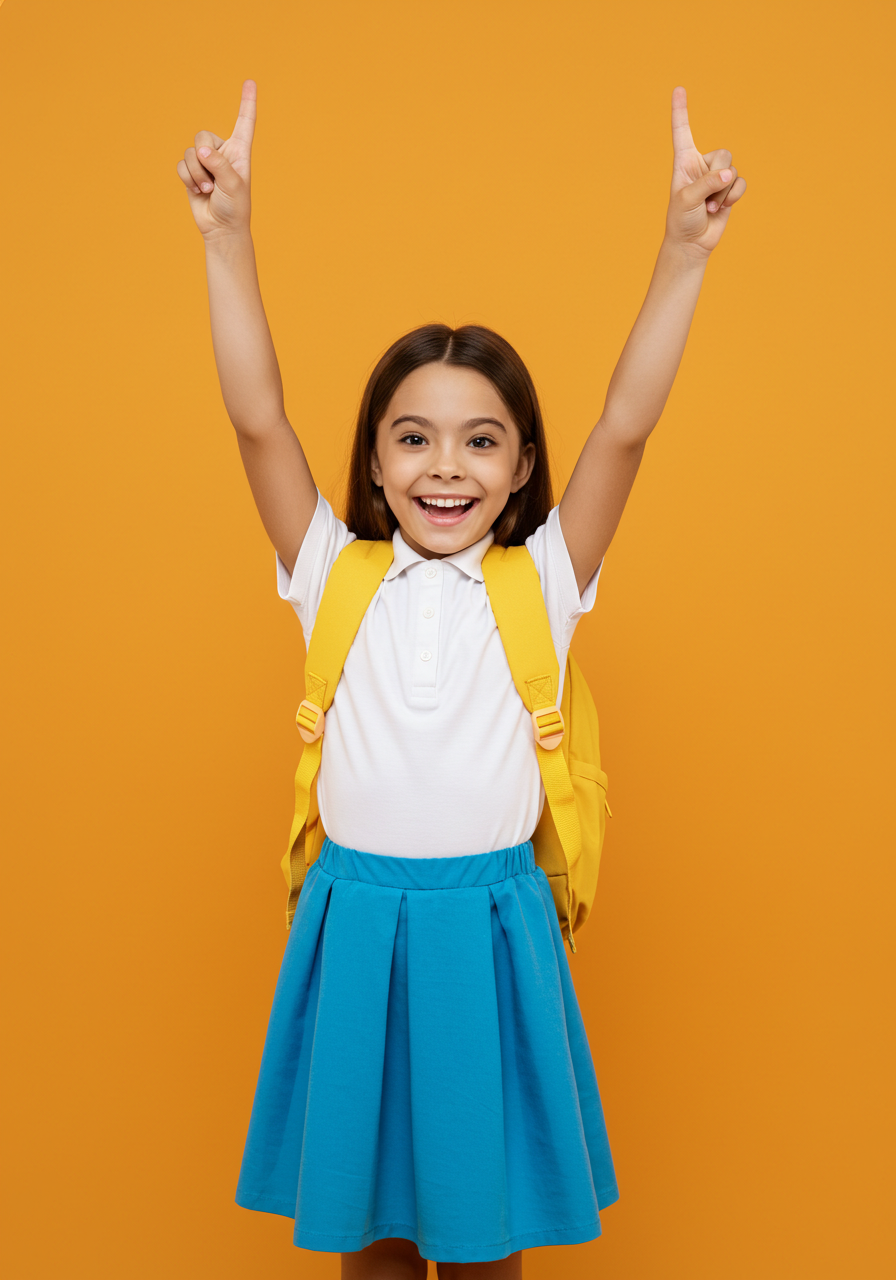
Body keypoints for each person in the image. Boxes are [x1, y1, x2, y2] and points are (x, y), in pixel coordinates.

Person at [176, 78, 745, 1279]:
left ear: (521, 461)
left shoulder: (539, 579)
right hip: (355, 920)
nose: (447, 466)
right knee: (368, 1234)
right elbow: (257, 420)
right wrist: (227, 239)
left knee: (483, 1240)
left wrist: (681, 251)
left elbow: (625, 429)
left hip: (491, 926)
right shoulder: (332, 568)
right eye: (413, 437)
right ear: (376, 468)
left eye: (480, 439)